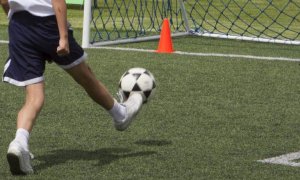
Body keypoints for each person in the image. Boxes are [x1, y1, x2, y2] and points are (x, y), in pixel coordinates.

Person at [1, 0, 144, 175]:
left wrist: (11, 15)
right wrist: (63, 38)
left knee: (34, 97)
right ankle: (120, 115)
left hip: (19, 27)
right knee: (85, 76)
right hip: (48, 26)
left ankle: (19, 143)